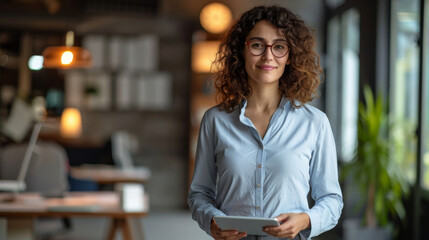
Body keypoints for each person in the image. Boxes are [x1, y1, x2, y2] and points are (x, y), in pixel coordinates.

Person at [188, 5, 343, 240]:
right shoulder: (215, 120)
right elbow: (199, 193)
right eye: (258, 45)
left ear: (291, 56)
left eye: (279, 46)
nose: (268, 56)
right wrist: (212, 220)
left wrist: (305, 220)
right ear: (242, 50)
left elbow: (332, 200)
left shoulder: (315, 123)